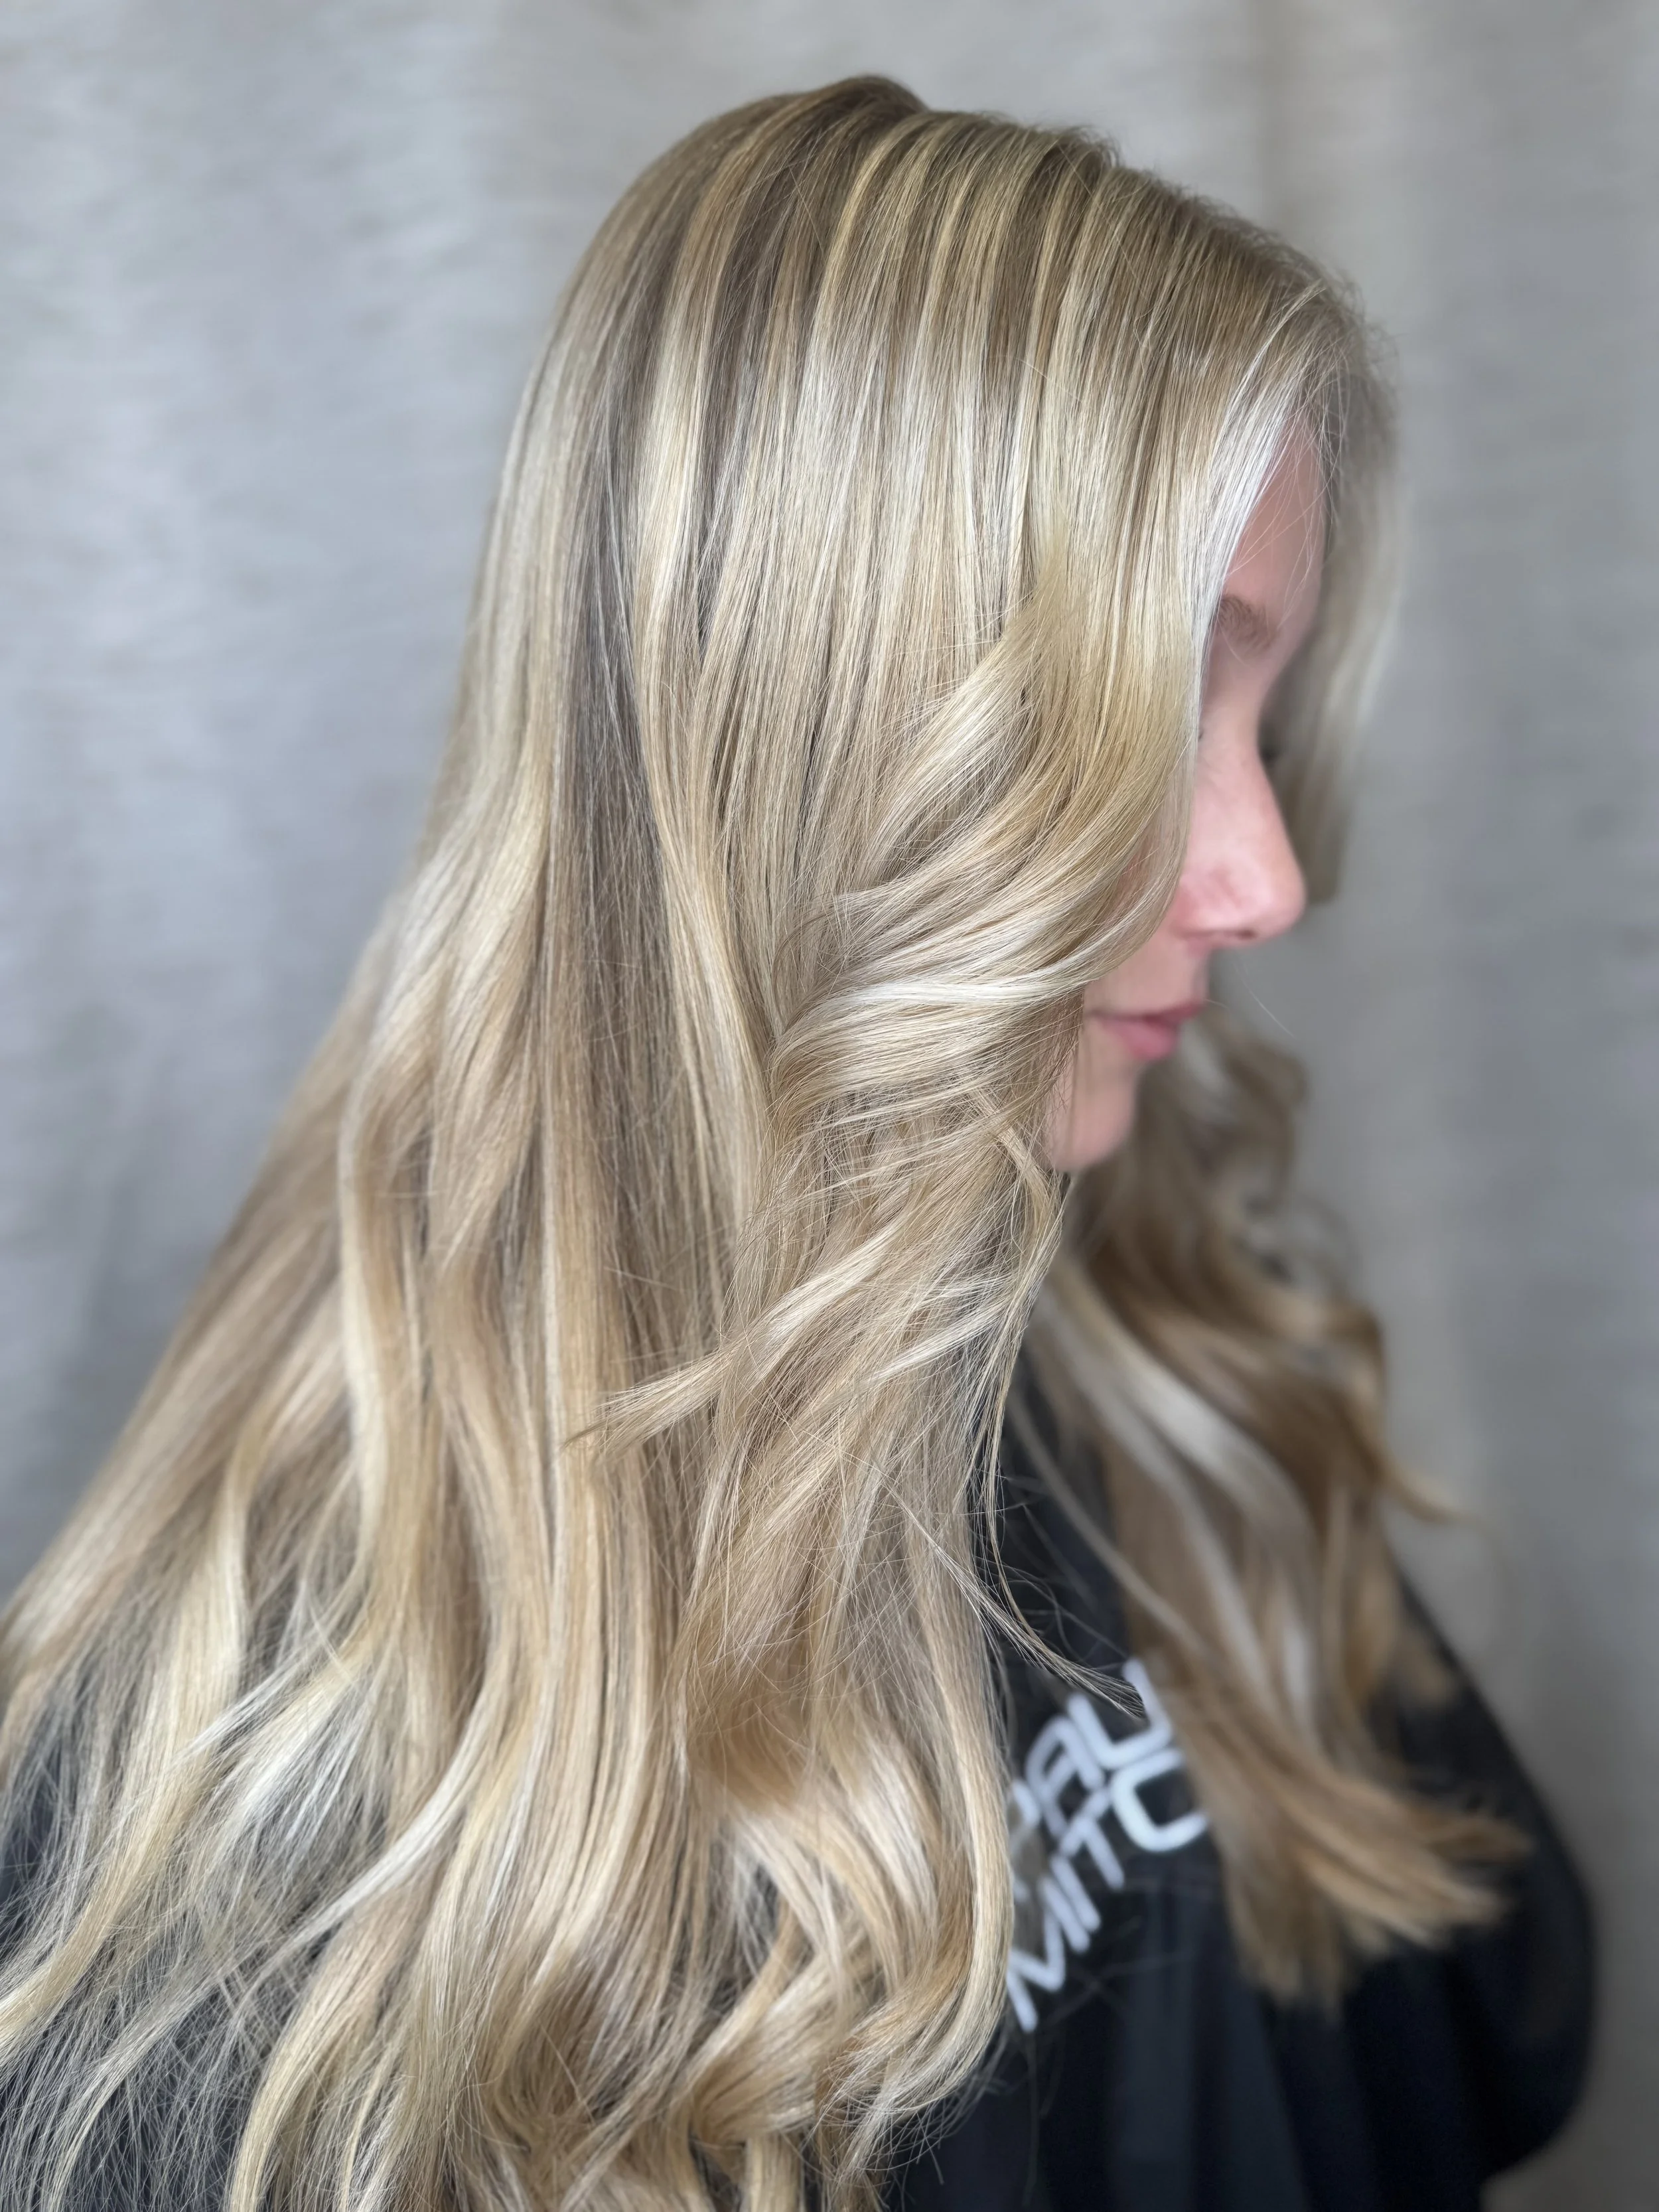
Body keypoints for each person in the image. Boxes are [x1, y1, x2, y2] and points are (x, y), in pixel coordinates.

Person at [0, 76, 1590, 2212]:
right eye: (1153, 708)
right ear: (813, 731)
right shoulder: (246, 1804)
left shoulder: (1147, 1337)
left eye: (1265, 715)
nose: (1266, 875)